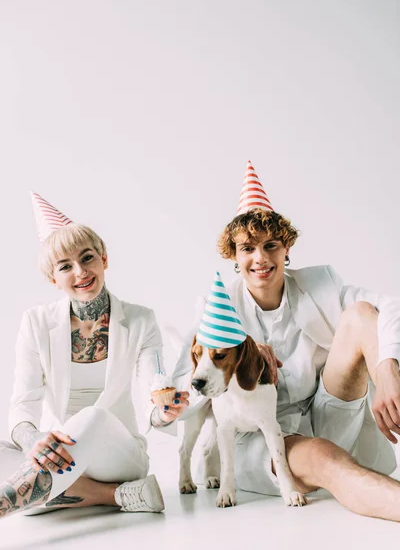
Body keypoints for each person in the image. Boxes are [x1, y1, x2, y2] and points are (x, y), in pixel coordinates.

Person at [173, 160, 400, 521]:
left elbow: (388, 307)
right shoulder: (216, 307)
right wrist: (240, 351)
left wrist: (388, 369)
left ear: (286, 249)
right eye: (247, 248)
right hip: (260, 437)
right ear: (234, 256)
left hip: (329, 412)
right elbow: (183, 391)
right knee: (323, 456)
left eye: (271, 245)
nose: (260, 258)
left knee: (359, 313)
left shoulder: (320, 282)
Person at [0, 192, 188, 518]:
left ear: (104, 259)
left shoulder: (141, 320)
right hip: (59, 455)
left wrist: (165, 413)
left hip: (117, 454)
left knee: (94, 417)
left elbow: (154, 390)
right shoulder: (36, 323)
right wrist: (34, 439)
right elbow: (22, 403)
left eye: (87, 258)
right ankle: (114, 496)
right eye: (65, 266)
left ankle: (11, 504)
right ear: (53, 279)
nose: (80, 272)